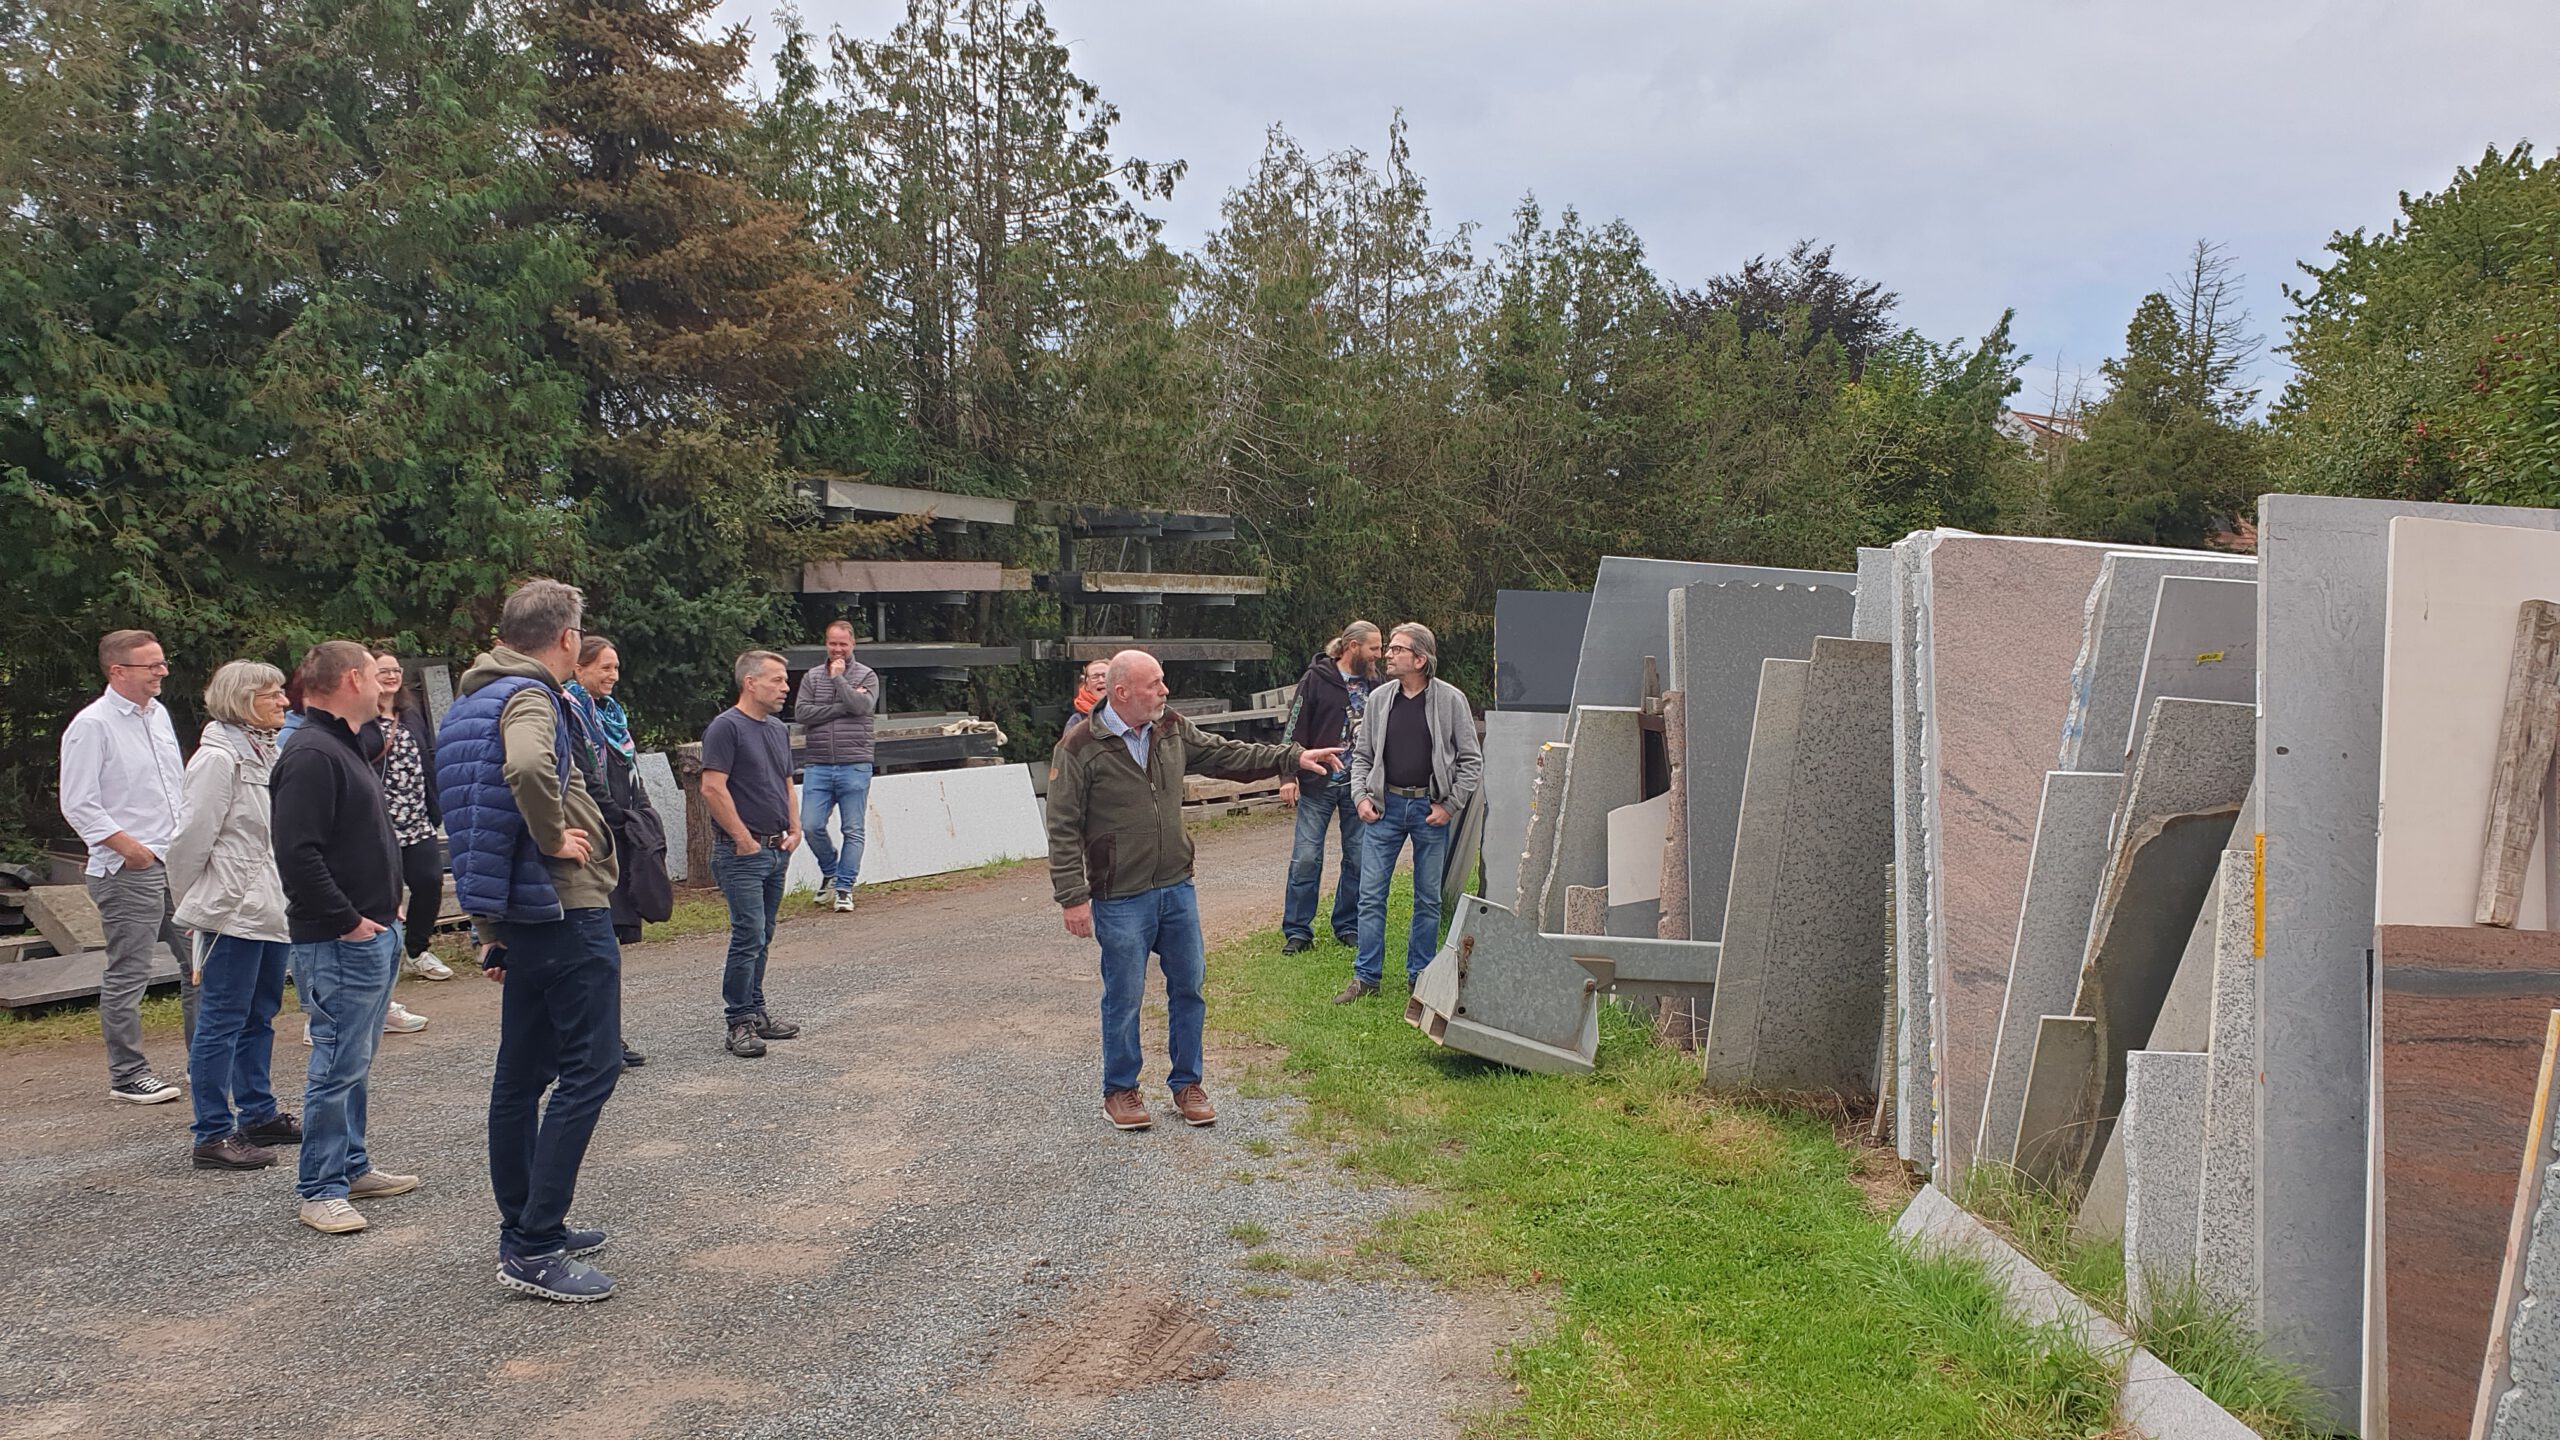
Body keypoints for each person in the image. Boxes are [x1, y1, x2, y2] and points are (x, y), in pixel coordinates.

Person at [1047, 650, 1338, 1131]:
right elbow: (1061, 826)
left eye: (1163, 682)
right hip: (1119, 896)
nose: (1165, 691)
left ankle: (1187, 1085)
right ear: (1122, 692)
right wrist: (1072, 895)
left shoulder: (1172, 727)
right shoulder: (1079, 747)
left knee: (1190, 987)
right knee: (1124, 996)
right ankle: (1120, 1090)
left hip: (1176, 888)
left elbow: (1227, 753)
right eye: (1155, 684)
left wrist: (1292, 757)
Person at [437, 578, 627, 1302]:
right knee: (592, 1067)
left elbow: (473, 814)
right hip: (562, 908)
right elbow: (523, 766)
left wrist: (491, 929)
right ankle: (535, 1245)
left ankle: (523, 1222)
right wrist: (557, 837)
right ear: (568, 640)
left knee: (520, 1074)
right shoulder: (529, 695)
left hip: (518, 912)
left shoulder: (468, 701)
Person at [270, 640, 418, 1235]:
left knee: (355, 1059)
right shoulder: (310, 753)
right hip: (339, 939)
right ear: (351, 678)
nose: (385, 683)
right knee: (335, 1063)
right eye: (373, 673)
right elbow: (297, 854)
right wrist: (348, 921)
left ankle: (351, 1166)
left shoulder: (342, 745)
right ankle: (320, 1187)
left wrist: (390, 903)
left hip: (373, 928)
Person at [166, 661, 302, 1169]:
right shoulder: (218, 760)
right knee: (221, 1020)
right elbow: (188, 840)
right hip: (230, 910)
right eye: (273, 695)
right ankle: (211, 1133)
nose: (284, 702)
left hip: (269, 905)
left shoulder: (267, 751)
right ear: (243, 700)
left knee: (260, 1014)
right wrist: (191, 904)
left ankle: (258, 1113)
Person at [57, 629, 199, 1104]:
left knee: (199, 964)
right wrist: (129, 847)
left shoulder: (157, 715)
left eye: (162, 662)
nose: (162, 672)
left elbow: (171, 786)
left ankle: (206, 1061)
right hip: (128, 869)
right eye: (151, 665)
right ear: (118, 671)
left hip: (175, 862)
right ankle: (128, 1074)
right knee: (129, 971)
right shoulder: (91, 725)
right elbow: (78, 803)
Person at [1337, 622, 1483, 1004]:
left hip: (1428, 810)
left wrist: (1450, 806)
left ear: (1420, 659)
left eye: (1398, 649)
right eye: (1390, 649)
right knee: (1370, 896)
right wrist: (1360, 797)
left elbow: (1471, 760)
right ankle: (1366, 976)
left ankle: (1419, 976)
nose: (1388, 654)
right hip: (1384, 807)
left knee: (1428, 899)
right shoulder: (1380, 699)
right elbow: (1362, 756)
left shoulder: (1451, 701)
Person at [566, 635, 671, 1069]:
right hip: (594, 836)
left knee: (606, 947)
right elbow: (582, 777)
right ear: (579, 669)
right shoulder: (570, 713)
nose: (612, 675)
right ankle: (592, 1043)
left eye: (616, 667)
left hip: (621, 834)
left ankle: (606, 1038)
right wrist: (619, 818)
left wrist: (642, 814)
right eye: (604, 667)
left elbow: (629, 773)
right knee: (591, 950)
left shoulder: (613, 717)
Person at [703, 650, 802, 1059]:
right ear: (750, 682)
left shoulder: (776, 729)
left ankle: (756, 1009)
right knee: (748, 934)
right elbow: (712, 788)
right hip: (742, 853)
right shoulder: (726, 728)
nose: (785, 687)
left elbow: (786, 782)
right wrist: (743, 839)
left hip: (777, 847)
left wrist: (796, 828)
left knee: (764, 933)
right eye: (777, 680)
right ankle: (738, 1020)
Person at [1277, 620, 1381, 955]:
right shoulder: (1315, 679)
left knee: (1358, 858)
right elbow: (1294, 725)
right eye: (1374, 648)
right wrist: (1288, 775)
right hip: (1318, 782)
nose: (1379, 655)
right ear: (1353, 646)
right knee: (1306, 858)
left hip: (1360, 786)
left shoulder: (1376, 682)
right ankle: (1297, 931)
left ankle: (1347, 925)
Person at [374, 649, 453, 991]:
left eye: (395, 670)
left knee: (429, 881)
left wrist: (435, 805)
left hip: (416, 814)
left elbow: (428, 757)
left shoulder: (410, 713)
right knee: (383, 891)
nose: (392, 676)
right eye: (383, 671)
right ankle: (383, 960)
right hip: (379, 821)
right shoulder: (360, 719)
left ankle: (417, 949)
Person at [794, 620, 877, 914]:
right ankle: (830, 869)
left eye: (842, 644)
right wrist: (842, 707)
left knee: (852, 829)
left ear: (852, 644)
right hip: (818, 763)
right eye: (832, 643)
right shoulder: (812, 677)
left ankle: (844, 887)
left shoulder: (866, 675)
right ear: (825, 643)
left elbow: (862, 707)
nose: (837, 649)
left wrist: (840, 681)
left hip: (855, 763)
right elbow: (802, 713)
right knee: (810, 825)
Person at [1064, 658, 1108, 736]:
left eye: (1105, 675)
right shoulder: (1077, 721)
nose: (1101, 680)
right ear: (1087, 685)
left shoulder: (1129, 714)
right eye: (1095, 677)